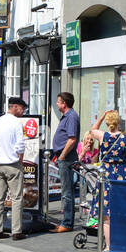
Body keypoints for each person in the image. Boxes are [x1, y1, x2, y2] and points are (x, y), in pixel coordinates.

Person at [87, 109, 126, 248]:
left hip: (106, 174)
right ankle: (122, 243)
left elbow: (93, 129)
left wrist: (102, 116)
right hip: (122, 174)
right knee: (122, 208)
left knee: (106, 214)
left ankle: (109, 246)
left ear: (108, 123)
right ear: (118, 122)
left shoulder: (103, 136)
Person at [0, 96, 26, 240]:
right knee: (16, 198)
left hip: (1, 164)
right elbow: (20, 144)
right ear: (15, 107)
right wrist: (20, 160)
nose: (23, 112)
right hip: (13, 164)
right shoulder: (16, 122)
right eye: (22, 108)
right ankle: (17, 231)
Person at [49, 92, 80, 233]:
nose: (56, 104)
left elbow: (72, 139)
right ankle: (66, 221)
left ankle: (67, 223)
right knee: (66, 191)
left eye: (58, 101)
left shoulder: (71, 117)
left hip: (67, 158)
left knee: (67, 192)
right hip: (63, 157)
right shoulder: (66, 116)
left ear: (64, 104)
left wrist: (62, 156)